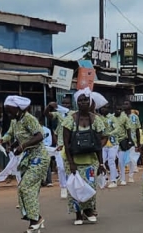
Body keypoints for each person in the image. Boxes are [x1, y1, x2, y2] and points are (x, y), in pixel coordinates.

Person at [1, 95, 49, 233]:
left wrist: (23, 146)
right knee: (25, 189)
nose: (8, 114)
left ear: (18, 109)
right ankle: (34, 219)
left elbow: (39, 136)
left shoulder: (29, 119)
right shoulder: (15, 122)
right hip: (28, 158)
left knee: (26, 186)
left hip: (39, 157)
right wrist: (14, 146)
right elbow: (21, 138)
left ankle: (36, 219)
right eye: (7, 111)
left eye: (10, 111)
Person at [63, 89, 107, 225]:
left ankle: (88, 210)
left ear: (90, 102)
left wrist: (101, 163)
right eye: (80, 100)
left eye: (86, 100)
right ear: (77, 103)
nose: (83, 102)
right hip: (74, 160)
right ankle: (78, 214)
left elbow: (99, 144)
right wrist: (71, 162)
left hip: (90, 160)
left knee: (90, 186)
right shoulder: (70, 119)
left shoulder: (96, 120)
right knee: (75, 188)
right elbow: (66, 143)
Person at [44, 97, 71, 199]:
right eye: (63, 103)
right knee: (61, 167)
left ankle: (70, 187)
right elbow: (47, 114)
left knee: (70, 167)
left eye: (67, 103)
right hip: (61, 145)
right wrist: (49, 106)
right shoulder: (58, 114)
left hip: (71, 144)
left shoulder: (73, 114)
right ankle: (63, 187)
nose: (65, 105)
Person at [123, 100, 142, 182]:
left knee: (132, 159)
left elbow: (137, 129)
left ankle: (131, 176)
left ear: (130, 105)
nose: (125, 105)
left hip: (133, 140)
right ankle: (122, 177)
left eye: (127, 104)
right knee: (122, 159)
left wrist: (138, 142)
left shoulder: (135, 117)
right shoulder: (120, 116)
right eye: (124, 104)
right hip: (122, 140)